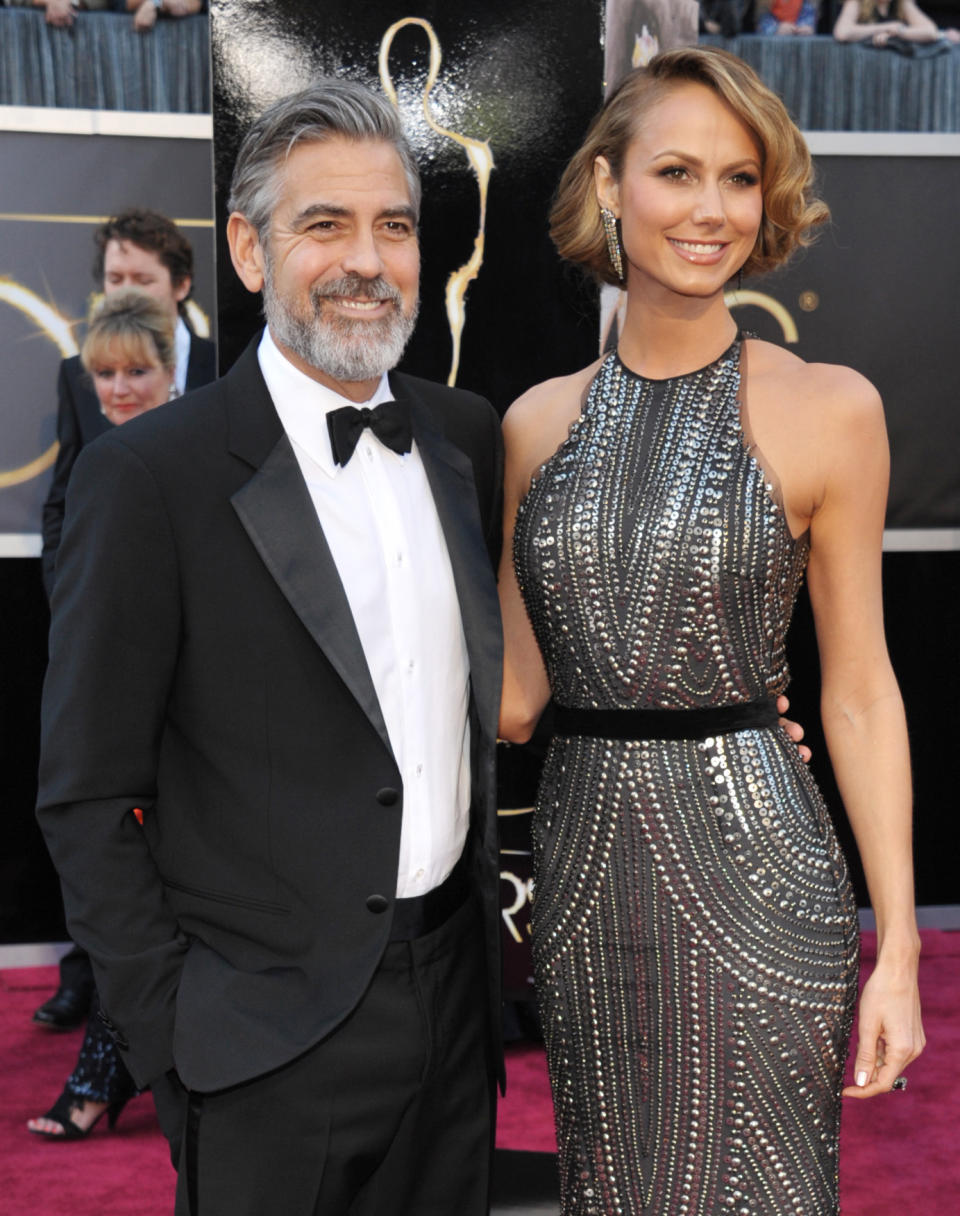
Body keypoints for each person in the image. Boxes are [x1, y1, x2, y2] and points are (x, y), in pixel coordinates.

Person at [37, 79, 503, 1216]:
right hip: (257, 1046)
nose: (367, 259)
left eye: (393, 224)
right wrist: (177, 1033)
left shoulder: (464, 439)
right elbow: (85, 796)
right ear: (248, 250)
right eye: (323, 224)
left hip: (456, 1010)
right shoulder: (147, 480)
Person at [498, 46, 924, 1215]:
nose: (710, 209)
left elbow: (860, 690)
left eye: (741, 179)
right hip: (584, 881)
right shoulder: (534, 426)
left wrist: (899, 949)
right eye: (677, 171)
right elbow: (511, 697)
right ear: (606, 186)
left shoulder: (834, 409)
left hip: (761, 872)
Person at [35, 207, 216, 1035]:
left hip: (205, 647)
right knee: (97, 801)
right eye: (115, 280)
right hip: (106, 631)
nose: (127, 294)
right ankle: (94, 984)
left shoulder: (228, 370)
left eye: (142, 280)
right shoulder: (79, 374)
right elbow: (65, 499)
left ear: (180, 286)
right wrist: (74, 601)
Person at [28, 290, 177, 1139]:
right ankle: (110, 1067)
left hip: (175, 717)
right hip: (104, 701)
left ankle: (106, 1071)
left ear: (168, 371)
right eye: (105, 376)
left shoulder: (199, 454)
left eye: (136, 372)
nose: (118, 389)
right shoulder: (95, 461)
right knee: (128, 897)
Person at [833, 0, 959, 43]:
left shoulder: (901, 4)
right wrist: (887, 27)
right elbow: (842, 33)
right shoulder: (856, 2)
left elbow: (930, 32)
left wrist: (898, 32)